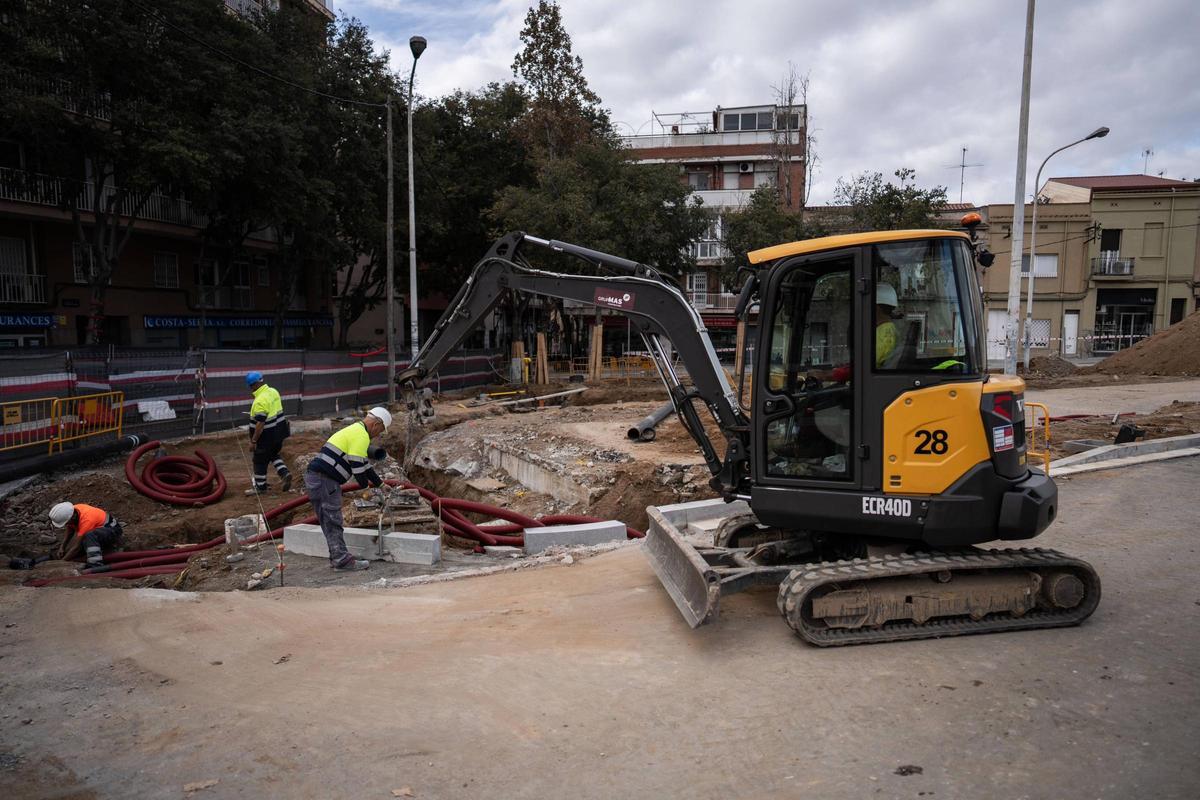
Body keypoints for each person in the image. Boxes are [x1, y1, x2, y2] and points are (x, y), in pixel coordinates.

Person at [304, 407, 392, 571]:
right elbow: (357, 466)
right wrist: (365, 489)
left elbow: (365, 465)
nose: (378, 434)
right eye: (380, 430)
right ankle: (342, 560)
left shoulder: (355, 431)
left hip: (319, 478)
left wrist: (380, 484)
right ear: (376, 424)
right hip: (324, 480)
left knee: (329, 521)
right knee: (333, 520)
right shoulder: (362, 436)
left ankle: (339, 557)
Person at [816, 284, 901, 383]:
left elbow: (863, 367)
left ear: (876, 308)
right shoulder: (885, 329)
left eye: (866, 306)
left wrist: (825, 375)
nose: (863, 310)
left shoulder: (886, 333)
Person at [245, 371, 291, 496]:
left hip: (266, 436)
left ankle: (260, 487)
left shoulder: (260, 400)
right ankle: (284, 473)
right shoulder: (273, 391)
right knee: (273, 454)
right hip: (279, 433)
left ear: (253, 385)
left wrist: (254, 441)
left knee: (259, 460)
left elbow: (260, 423)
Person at [49, 502, 123, 568]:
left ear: (73, 517)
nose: (66, 525)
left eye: (67, 523)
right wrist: (62, 547)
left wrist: (62, 562)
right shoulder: (72, 511)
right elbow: (70, 530)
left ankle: (96, 565)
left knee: (89, 535)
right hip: (100, 530)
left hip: (112, 530)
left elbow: (77, 547)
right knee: (83, 540)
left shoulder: (87, 520)